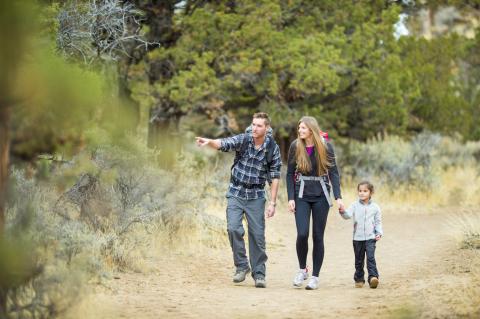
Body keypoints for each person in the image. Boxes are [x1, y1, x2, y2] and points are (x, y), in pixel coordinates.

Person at [195, 112, 281, 288]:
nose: (254, 128)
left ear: (266, 128)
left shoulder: (272, 148)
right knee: (233, 228)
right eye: (253, 124)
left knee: (257, 236)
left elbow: (275, 176)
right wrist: (209, 142)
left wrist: (272, 202)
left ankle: (259, 274)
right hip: (236, 192)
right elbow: (224, 143)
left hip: (256, 196)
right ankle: (242, 267)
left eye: (258, 125)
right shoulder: (244, 139)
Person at [286, 116, 344, 290]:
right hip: (301, 194)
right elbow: (289, 174)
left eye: (303, 128)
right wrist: (290, 198)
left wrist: (338, 197)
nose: (300, 130)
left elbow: (334, 173)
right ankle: (302, 269)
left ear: (311, 129)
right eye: (299, 127)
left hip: (321, 195)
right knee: (302, 234)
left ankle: (315, 277)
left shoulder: (326, 147)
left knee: (318, 236)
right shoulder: (295, 146)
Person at [339, 181, 383, 289]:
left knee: (371, 258)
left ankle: (373, 277)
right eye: (360, 191)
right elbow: (347, 215)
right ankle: (359, 279)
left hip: (371, 237)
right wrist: (342, 211)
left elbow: (378, 221)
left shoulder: (375, 207)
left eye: (365, 191)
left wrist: (379, 232)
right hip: (357, 238)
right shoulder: (354, 205)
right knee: (359, 260)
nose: (362, 193)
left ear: (370, 192)